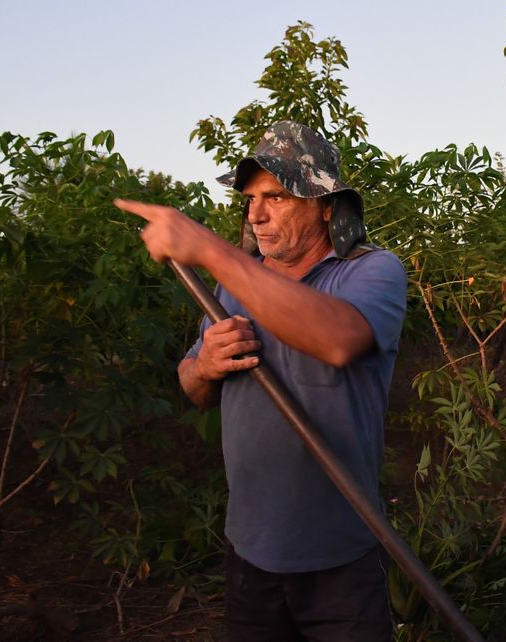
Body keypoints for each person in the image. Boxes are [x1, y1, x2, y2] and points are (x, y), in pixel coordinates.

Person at [115, 121, 407, 641]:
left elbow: (338, 339)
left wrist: (208, 249)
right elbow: (192, 387)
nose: (256, 213)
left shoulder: (371, 272)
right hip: (250, 553)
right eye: (250, 199)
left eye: (276, 196)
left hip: (342, 556)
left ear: (324, 205)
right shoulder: (233, 287)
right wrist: (204, 364)